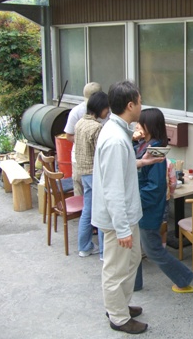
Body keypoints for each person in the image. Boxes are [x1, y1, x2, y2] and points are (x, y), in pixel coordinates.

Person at [91, 80, 162, 335]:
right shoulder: (114, 139)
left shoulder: (118, 132)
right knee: (116, 268)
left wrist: (140, 163)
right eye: (140, 101)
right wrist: (122, 229)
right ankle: (118, 317)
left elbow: (119, 170)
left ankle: (120, 304)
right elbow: (112, 189)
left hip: (127, 214)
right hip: (117, 218)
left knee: (130, 262)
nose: (142, 106)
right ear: (130, 105)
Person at [133, 108, 193, 294]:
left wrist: (135, 202)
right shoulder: (141, 144)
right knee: (134, 248)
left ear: (149, 126)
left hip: (147, 209)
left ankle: (184, 279)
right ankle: (134, 283)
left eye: (140, 123)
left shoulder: (155, 151)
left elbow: (154, 188)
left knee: (153, 249)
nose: (136, 126)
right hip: (139, 207)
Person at [74, 91, 110, 259]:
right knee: (102, 212)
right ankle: (104, 252)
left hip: (82, 171)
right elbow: (101, 153)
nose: (108, 112)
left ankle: (84, 247)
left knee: (88, 209)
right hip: (94, 174)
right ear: (100, 108)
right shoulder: (97, 127)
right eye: (106, 108)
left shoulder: (80, 122)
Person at [64, 82, 104, 196]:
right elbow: (68, 135)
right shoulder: (76, 112)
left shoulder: (107, 111)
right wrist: (86, 141)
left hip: (98, 161)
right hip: (80, 160)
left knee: (94, 198)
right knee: (81, 195)